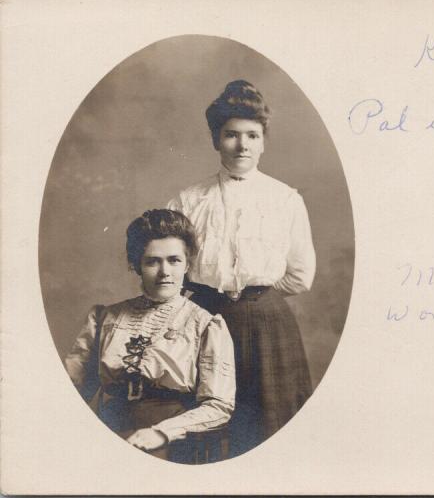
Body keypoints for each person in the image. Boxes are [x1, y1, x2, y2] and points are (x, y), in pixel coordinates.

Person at [168, 80, 315, 456]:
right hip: (203, 320)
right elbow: (172, 268)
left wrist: (254, 296)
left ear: (264, 140)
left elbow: (300, 275)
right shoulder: (188, 200)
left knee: (268, 429)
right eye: (231, 134)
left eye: (252, 135)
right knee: (204, 427)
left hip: (266, 325)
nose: (242, 145)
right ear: (216, 140)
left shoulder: (285, 199)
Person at [63, 209, 236, 463]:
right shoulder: (105, 318)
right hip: (108, 431)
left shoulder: (206, 325)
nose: (165, 271)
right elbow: (72, 388)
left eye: (174, 260)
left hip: (171, 443)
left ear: (187, 264)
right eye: (152, 261)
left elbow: (218, 406)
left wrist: (162, 433)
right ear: (136, 265)